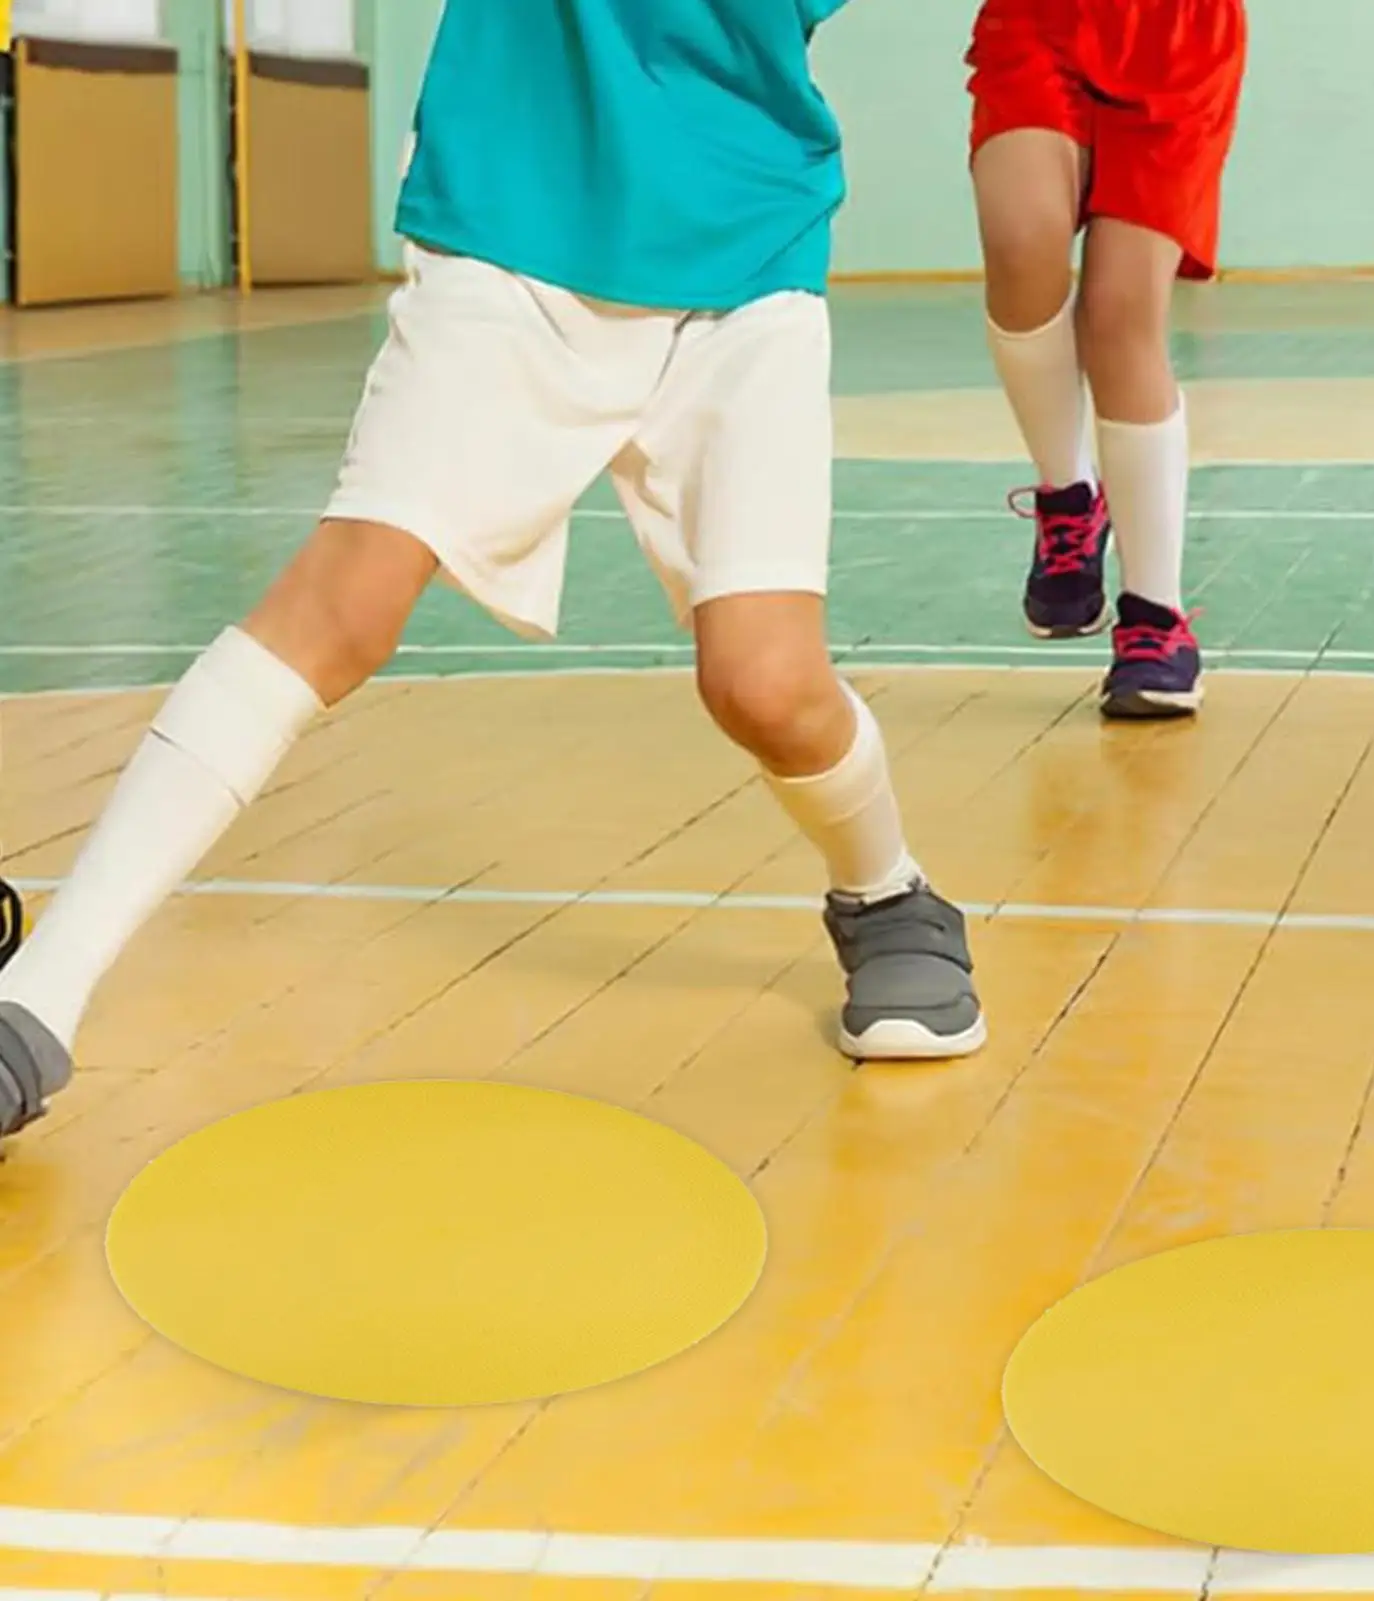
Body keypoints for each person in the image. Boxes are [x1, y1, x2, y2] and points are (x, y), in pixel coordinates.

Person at [0, 0, 988, 1140]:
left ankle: (887, 891)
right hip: (509, 213)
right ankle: (39, 993)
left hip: (742, 243)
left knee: (764, 682)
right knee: (347, 598)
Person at [968, 0, 1248, 718]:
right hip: (1038, 23)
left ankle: (1155, 619)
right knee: (1020, 243)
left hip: (1177, 38)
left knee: (1120, 316)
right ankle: (1068, 497)